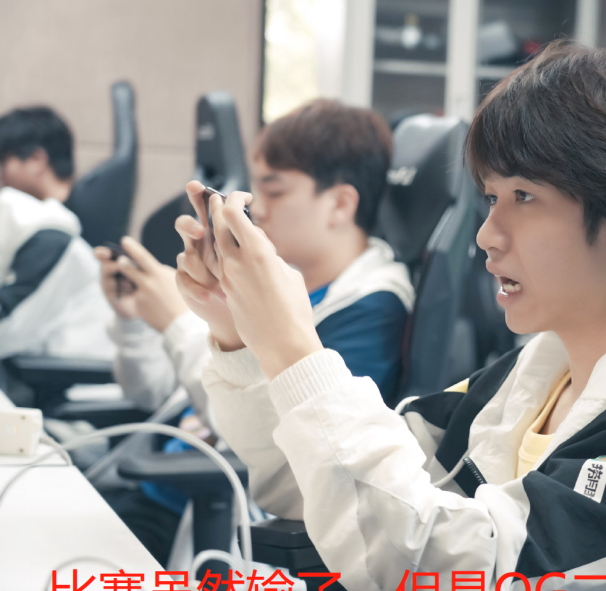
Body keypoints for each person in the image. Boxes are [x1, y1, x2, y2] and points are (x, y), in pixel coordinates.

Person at [177, 42, 606, 591]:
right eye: (491, 198)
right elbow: (319, 480)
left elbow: (462, 578)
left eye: (523, 197)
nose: (486, 235)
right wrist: (240, 334)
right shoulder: (536, 372)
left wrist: (293, 346)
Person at [97, 99, 414, 565]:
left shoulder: (372, 309)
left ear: (340, 204)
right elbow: (156, 394)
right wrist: (135, 323)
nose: (257, 208)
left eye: (275, 190)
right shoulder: (280, 282)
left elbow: (286, 445)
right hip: (155, 481)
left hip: (204, 518)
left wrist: (178, 323)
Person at [0, 106, 113, 359]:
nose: (1, 179)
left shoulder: (52, 232)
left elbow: (8, 328)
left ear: (36, 159)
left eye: (2, 163)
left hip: (72, 372)